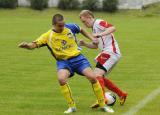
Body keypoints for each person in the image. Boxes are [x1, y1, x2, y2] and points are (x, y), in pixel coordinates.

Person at [18, 14, 114, 113]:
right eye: (60, 26)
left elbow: (80, 29)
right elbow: (34, 45)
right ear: (53, 25)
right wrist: (27, 45)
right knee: (61, 79)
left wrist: (92, 38)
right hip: (63, 62)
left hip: (78, 59)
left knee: (93, 77)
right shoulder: (47, 36)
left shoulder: (69, 27)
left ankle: (103, 105)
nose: (62, 27)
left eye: (63, 25)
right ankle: (72, 107)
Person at [79, 10, 127, 108]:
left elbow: (113, 27)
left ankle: (102, 99)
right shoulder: (94, 29)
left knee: (96, 75)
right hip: (107, 53)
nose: (84, 24)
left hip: (110, 51)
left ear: (89, 17)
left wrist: (100, 34)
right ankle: (121, 94)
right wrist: (85, 44)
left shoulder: (98, 22)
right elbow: (95, 46)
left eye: (84, 21)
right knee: (100, 77)